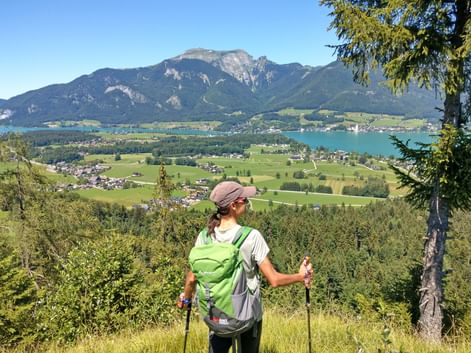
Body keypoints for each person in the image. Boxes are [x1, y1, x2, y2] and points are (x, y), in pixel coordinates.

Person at [177, 180, 313, 353]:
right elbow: (274, 280)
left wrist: (187, 299)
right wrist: (301, 276)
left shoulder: (204, 237)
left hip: (216, 314)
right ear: (234, 205)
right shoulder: (251, 237)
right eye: (245, 200)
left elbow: (191, 278)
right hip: (247, 316)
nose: (247, 203)